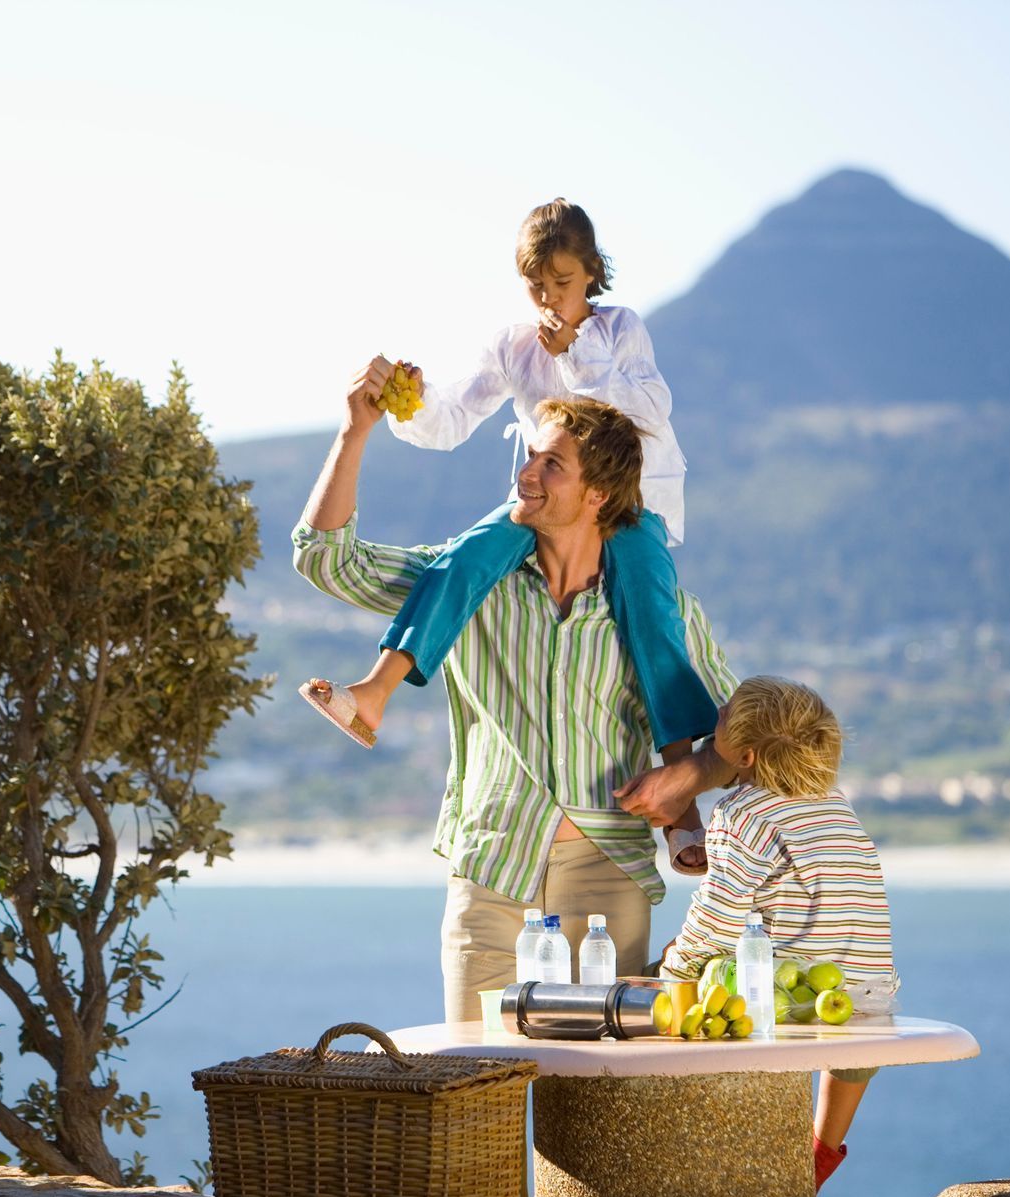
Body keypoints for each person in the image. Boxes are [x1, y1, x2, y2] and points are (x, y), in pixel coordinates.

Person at [294, 386, 738, 1017]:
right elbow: (326, 560)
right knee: (471, 1092)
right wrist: (354, 430)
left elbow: (749, 734)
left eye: (551, 463)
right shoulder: (466, 583)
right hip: (491, 871)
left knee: (600, 1103)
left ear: (598, 496)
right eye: (530, 455)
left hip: (607, 873)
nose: (526, 473)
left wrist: (686, 779)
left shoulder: (664, 610)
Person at [299, 202, 715, 844]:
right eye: (536, 285)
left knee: (652, 617)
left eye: (564, 282)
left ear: (592, 275)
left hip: (632, 505)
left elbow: (651, 409)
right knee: (464, 558)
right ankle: (375, 693)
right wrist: (409, 399)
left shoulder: (622, 330)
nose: (549, 297)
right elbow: (451, 421)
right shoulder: (511, 345)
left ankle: (681, 798)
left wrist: (575, 355)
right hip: (545, 501)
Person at [657, 676, 897, 1192]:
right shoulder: (834, 804)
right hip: (869, 994)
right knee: (852, 1049)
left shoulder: (741, 814)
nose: (715, 711)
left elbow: (717, 917)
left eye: (722, 717)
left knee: (696, 960)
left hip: (793, 993)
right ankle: (823, 1149)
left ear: (742, 756)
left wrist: (673, 970)